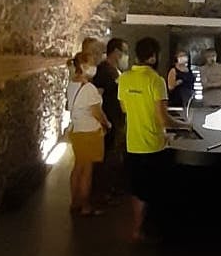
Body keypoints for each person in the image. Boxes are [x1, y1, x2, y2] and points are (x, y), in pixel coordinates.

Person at [118, 37, 190, 242]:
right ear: (153, 56)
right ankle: (147, 229)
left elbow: (124, 108)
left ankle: (136, 227)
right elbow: (162, 118)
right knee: (154, 189)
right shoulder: (156, 80)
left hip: (132, 142)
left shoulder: (125, 78)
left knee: (137, 187)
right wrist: (183, 125)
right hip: (153, 144)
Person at [66, 50, 111, 216]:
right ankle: (85, 206)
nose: (94, 67)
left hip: (77, 130)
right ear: (84, 66)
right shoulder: (89, 88)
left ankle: (74, 201)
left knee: (78, 166)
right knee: (87, 170)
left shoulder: (72, 84)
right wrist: (107, 124)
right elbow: (96, 112)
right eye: (92, 63)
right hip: (89, 131)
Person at [94, 37, 130, 200]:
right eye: (124, 52)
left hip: (117, 119)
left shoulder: (115, 71)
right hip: (109, 120)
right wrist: (102, 121)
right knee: (107, 156)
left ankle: (113, 187)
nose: (125, 56)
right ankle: (103, 191)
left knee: (115, 155)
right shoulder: (103, 71)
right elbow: (97, 97)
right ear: (116, 52)